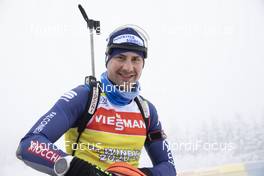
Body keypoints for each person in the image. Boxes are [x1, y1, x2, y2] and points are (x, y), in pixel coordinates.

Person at [16, 24, 176, 176]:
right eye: (120, 57)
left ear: (143, 64)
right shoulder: (85, 98)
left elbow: (168, 167)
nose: (128, 68)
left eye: (135, 59)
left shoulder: (146, 110)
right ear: (107, 59)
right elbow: (29, 144)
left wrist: (144, 174)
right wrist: (80, 169)